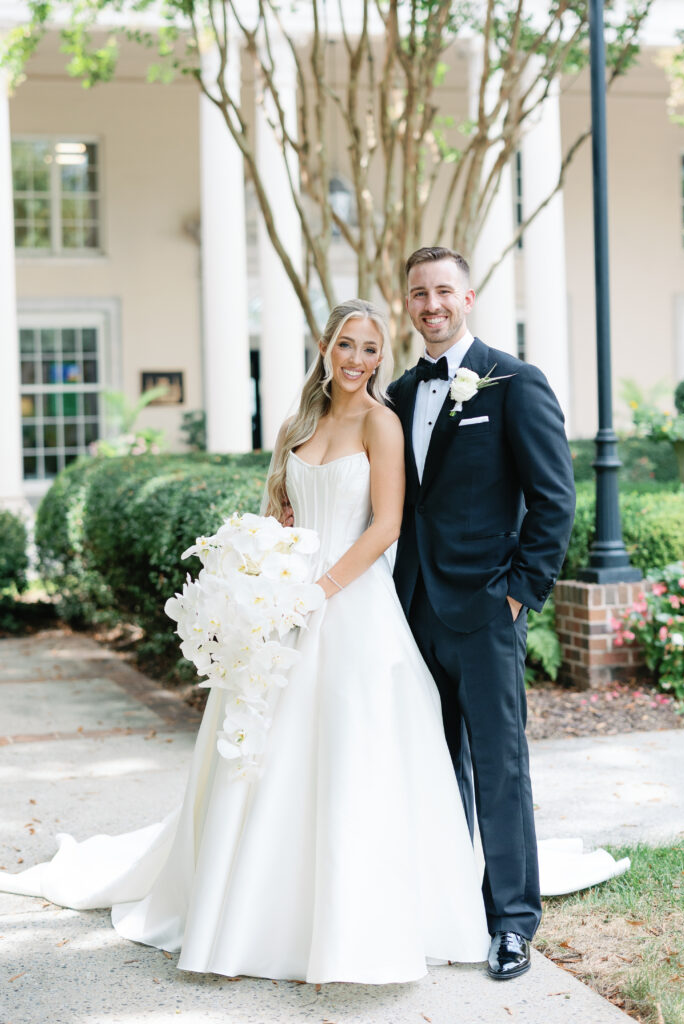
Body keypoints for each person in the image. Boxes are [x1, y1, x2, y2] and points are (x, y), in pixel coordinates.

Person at [0, 298, 490, 983]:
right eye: (346, 345)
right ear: (325, 346)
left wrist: (315, 591)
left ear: (382, 358)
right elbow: (276, 510)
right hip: (281, 603)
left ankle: (348, 921)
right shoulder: (296, 423)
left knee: (350, 751)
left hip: (350, 606)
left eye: (370, 349)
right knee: (258, 749)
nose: (356, 360)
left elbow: (385, 526)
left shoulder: (382, 423)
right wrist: (264, 571)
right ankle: (244, 908)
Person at [387, 246, 577, 981]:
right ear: (406, 304)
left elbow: (554, 499)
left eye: (442, 291)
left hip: (486, 608)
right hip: (411, 611)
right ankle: (446, 907)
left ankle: (510, 922)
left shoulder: (514, 381)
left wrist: (518, 591)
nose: (429, 305)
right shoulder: (400, 392)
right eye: (416, 293)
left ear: (468, 298)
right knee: (432, 768)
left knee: (498, 768)